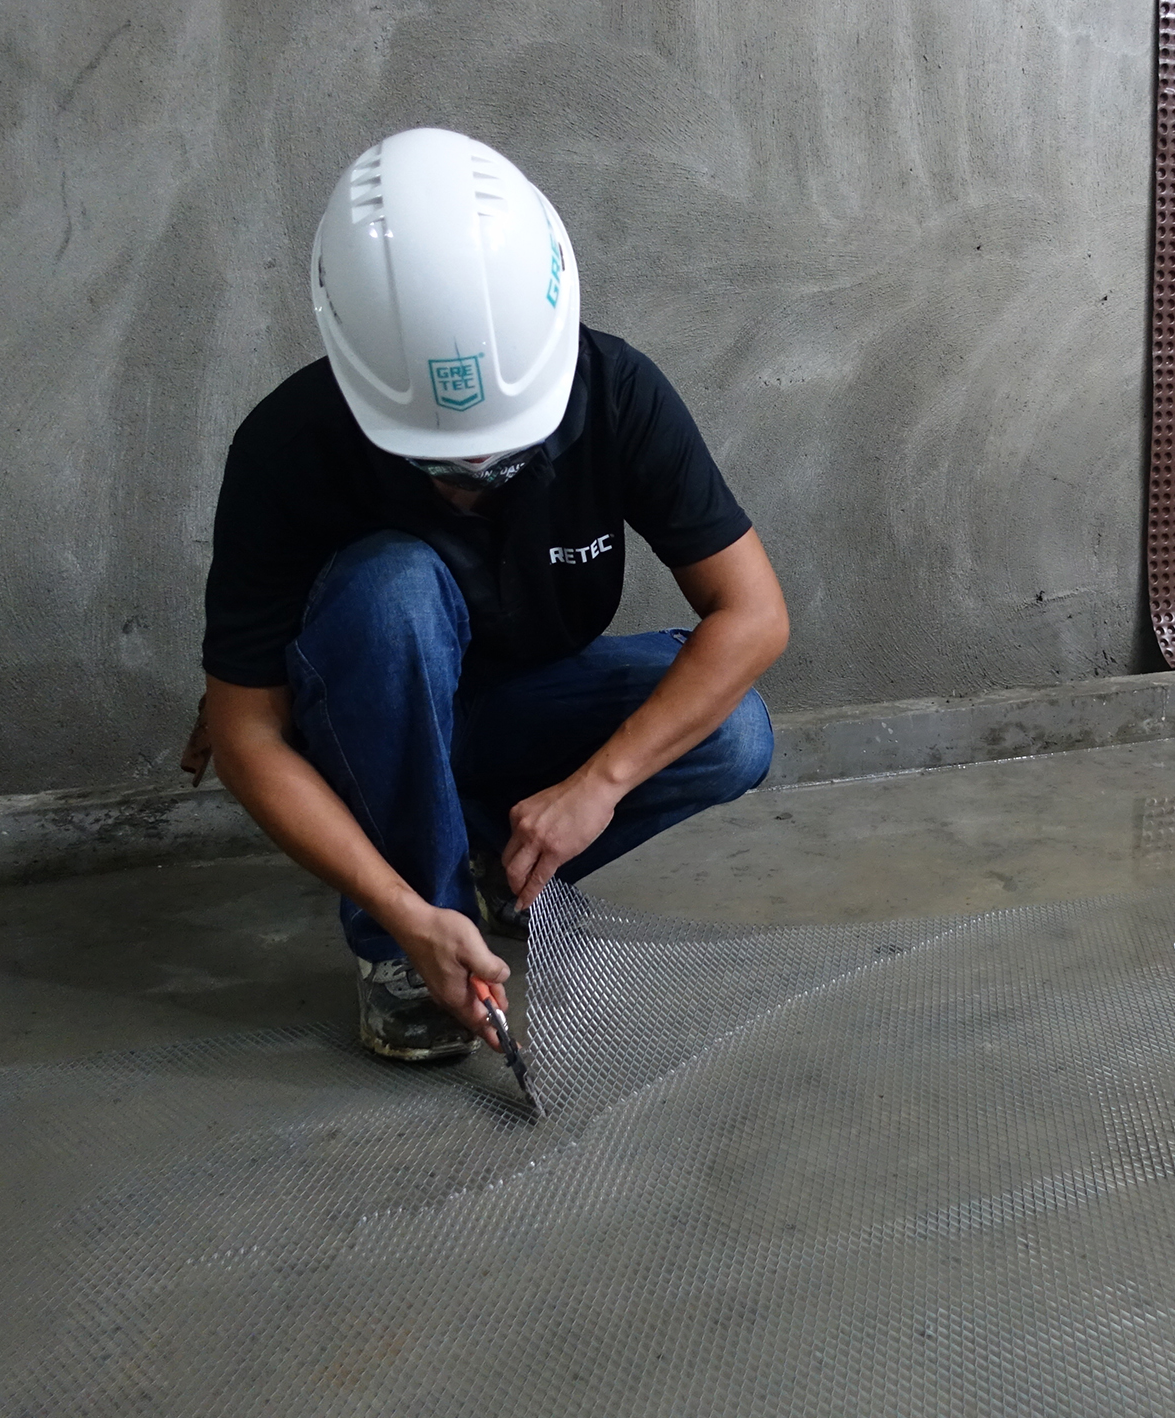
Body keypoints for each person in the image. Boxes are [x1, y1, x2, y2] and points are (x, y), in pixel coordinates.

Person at [187, 127, 788, 1062]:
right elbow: (246, 738)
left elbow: (753, 615)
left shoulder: (615, 392)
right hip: (365, 737)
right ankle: (407, 944)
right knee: (391, 589)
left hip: (510, 718)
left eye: (505, 449)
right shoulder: (287, 449)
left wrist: (598, 786)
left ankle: (489, 865)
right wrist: (401, 909)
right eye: (439, 461)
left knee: (734, 730)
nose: (475, 479)